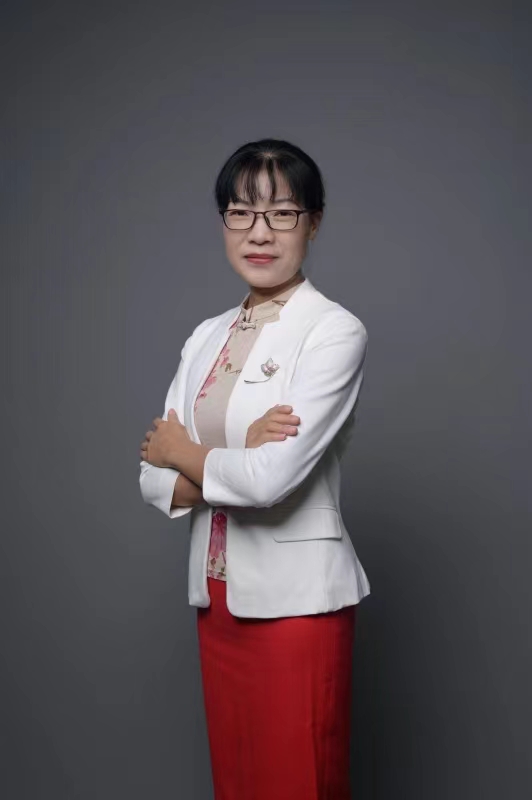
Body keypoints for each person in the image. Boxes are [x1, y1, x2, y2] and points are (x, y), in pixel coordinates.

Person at [139, 138, 370, 800]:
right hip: (218, 600)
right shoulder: (205, 335)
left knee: (299, 781)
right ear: (224, 222)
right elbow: (151, 477)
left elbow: (271, 480)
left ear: (313, 223)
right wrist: (239, 449)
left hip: (298, 606)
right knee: (237, 784)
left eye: (282, 213)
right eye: (241, 212)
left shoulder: (332, 331)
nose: (259, 232)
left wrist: (187, 452)